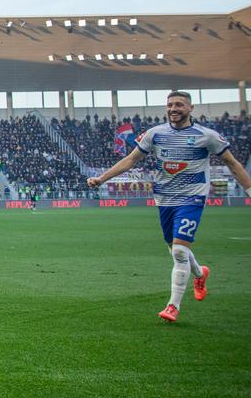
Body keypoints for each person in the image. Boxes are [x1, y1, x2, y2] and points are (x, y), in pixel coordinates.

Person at [88, 90, 250, 322]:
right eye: (170, 104)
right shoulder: (155, 134)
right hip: (164, 199)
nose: (174, 109)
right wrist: (102, 179)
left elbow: (232, 164)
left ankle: (173, 306)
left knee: (179, 250)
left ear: (190, 108)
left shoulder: (207, 136)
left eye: (179, 105)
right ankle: (199, 272)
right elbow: (131, 160)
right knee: (174, 250)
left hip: (192, 199)